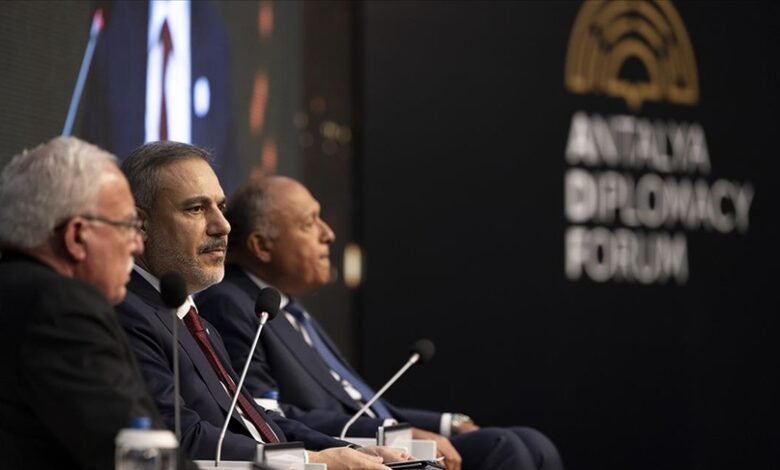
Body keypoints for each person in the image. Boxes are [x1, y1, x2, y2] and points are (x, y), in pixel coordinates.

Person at [196, 175, 565, 470]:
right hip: (349, 448)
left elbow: (361, 402)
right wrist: (388, 433)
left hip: (380, 439)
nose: (328, 234)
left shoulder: (286, 306)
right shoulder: (234, 304)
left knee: (535, 444)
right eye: (310, 223)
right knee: (506, 447)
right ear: (262, 246)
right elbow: (266, 414)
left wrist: (446, 422)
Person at [116, 141, 408, 468]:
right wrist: (311, 461)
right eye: (196, 209)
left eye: (220, 207)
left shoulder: (195, 323)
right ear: (140, 224)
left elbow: (255, 421)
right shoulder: (128, 313)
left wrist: (348, 450)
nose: (222, 225)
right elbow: (180, 436)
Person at [0, 137, 162, 469]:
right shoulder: (60, 307)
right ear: (76, 236)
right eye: (128, 226)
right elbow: (137, 451)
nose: (137, 244)